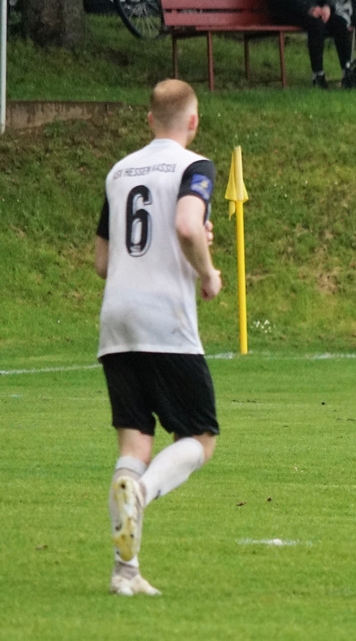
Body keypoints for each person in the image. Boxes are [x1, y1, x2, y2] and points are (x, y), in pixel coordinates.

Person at [95, 79, 223, 596]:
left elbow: (103, 261)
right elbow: (188, 226)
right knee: (201, 437)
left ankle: (125, 573)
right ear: (193, 121)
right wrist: (208, 273)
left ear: (149, 120)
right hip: (164, 320)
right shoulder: (195, 166)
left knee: (134, 443)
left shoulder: (119, 171)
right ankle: (143, 493)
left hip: (117, 319)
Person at [267, 0, 353, 89]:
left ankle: (348, 72)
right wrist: (308, 9)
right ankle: (318, 75)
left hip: (315, 10)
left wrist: (327, 6)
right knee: (316, 24)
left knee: (340, 23)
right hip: (288, 11)